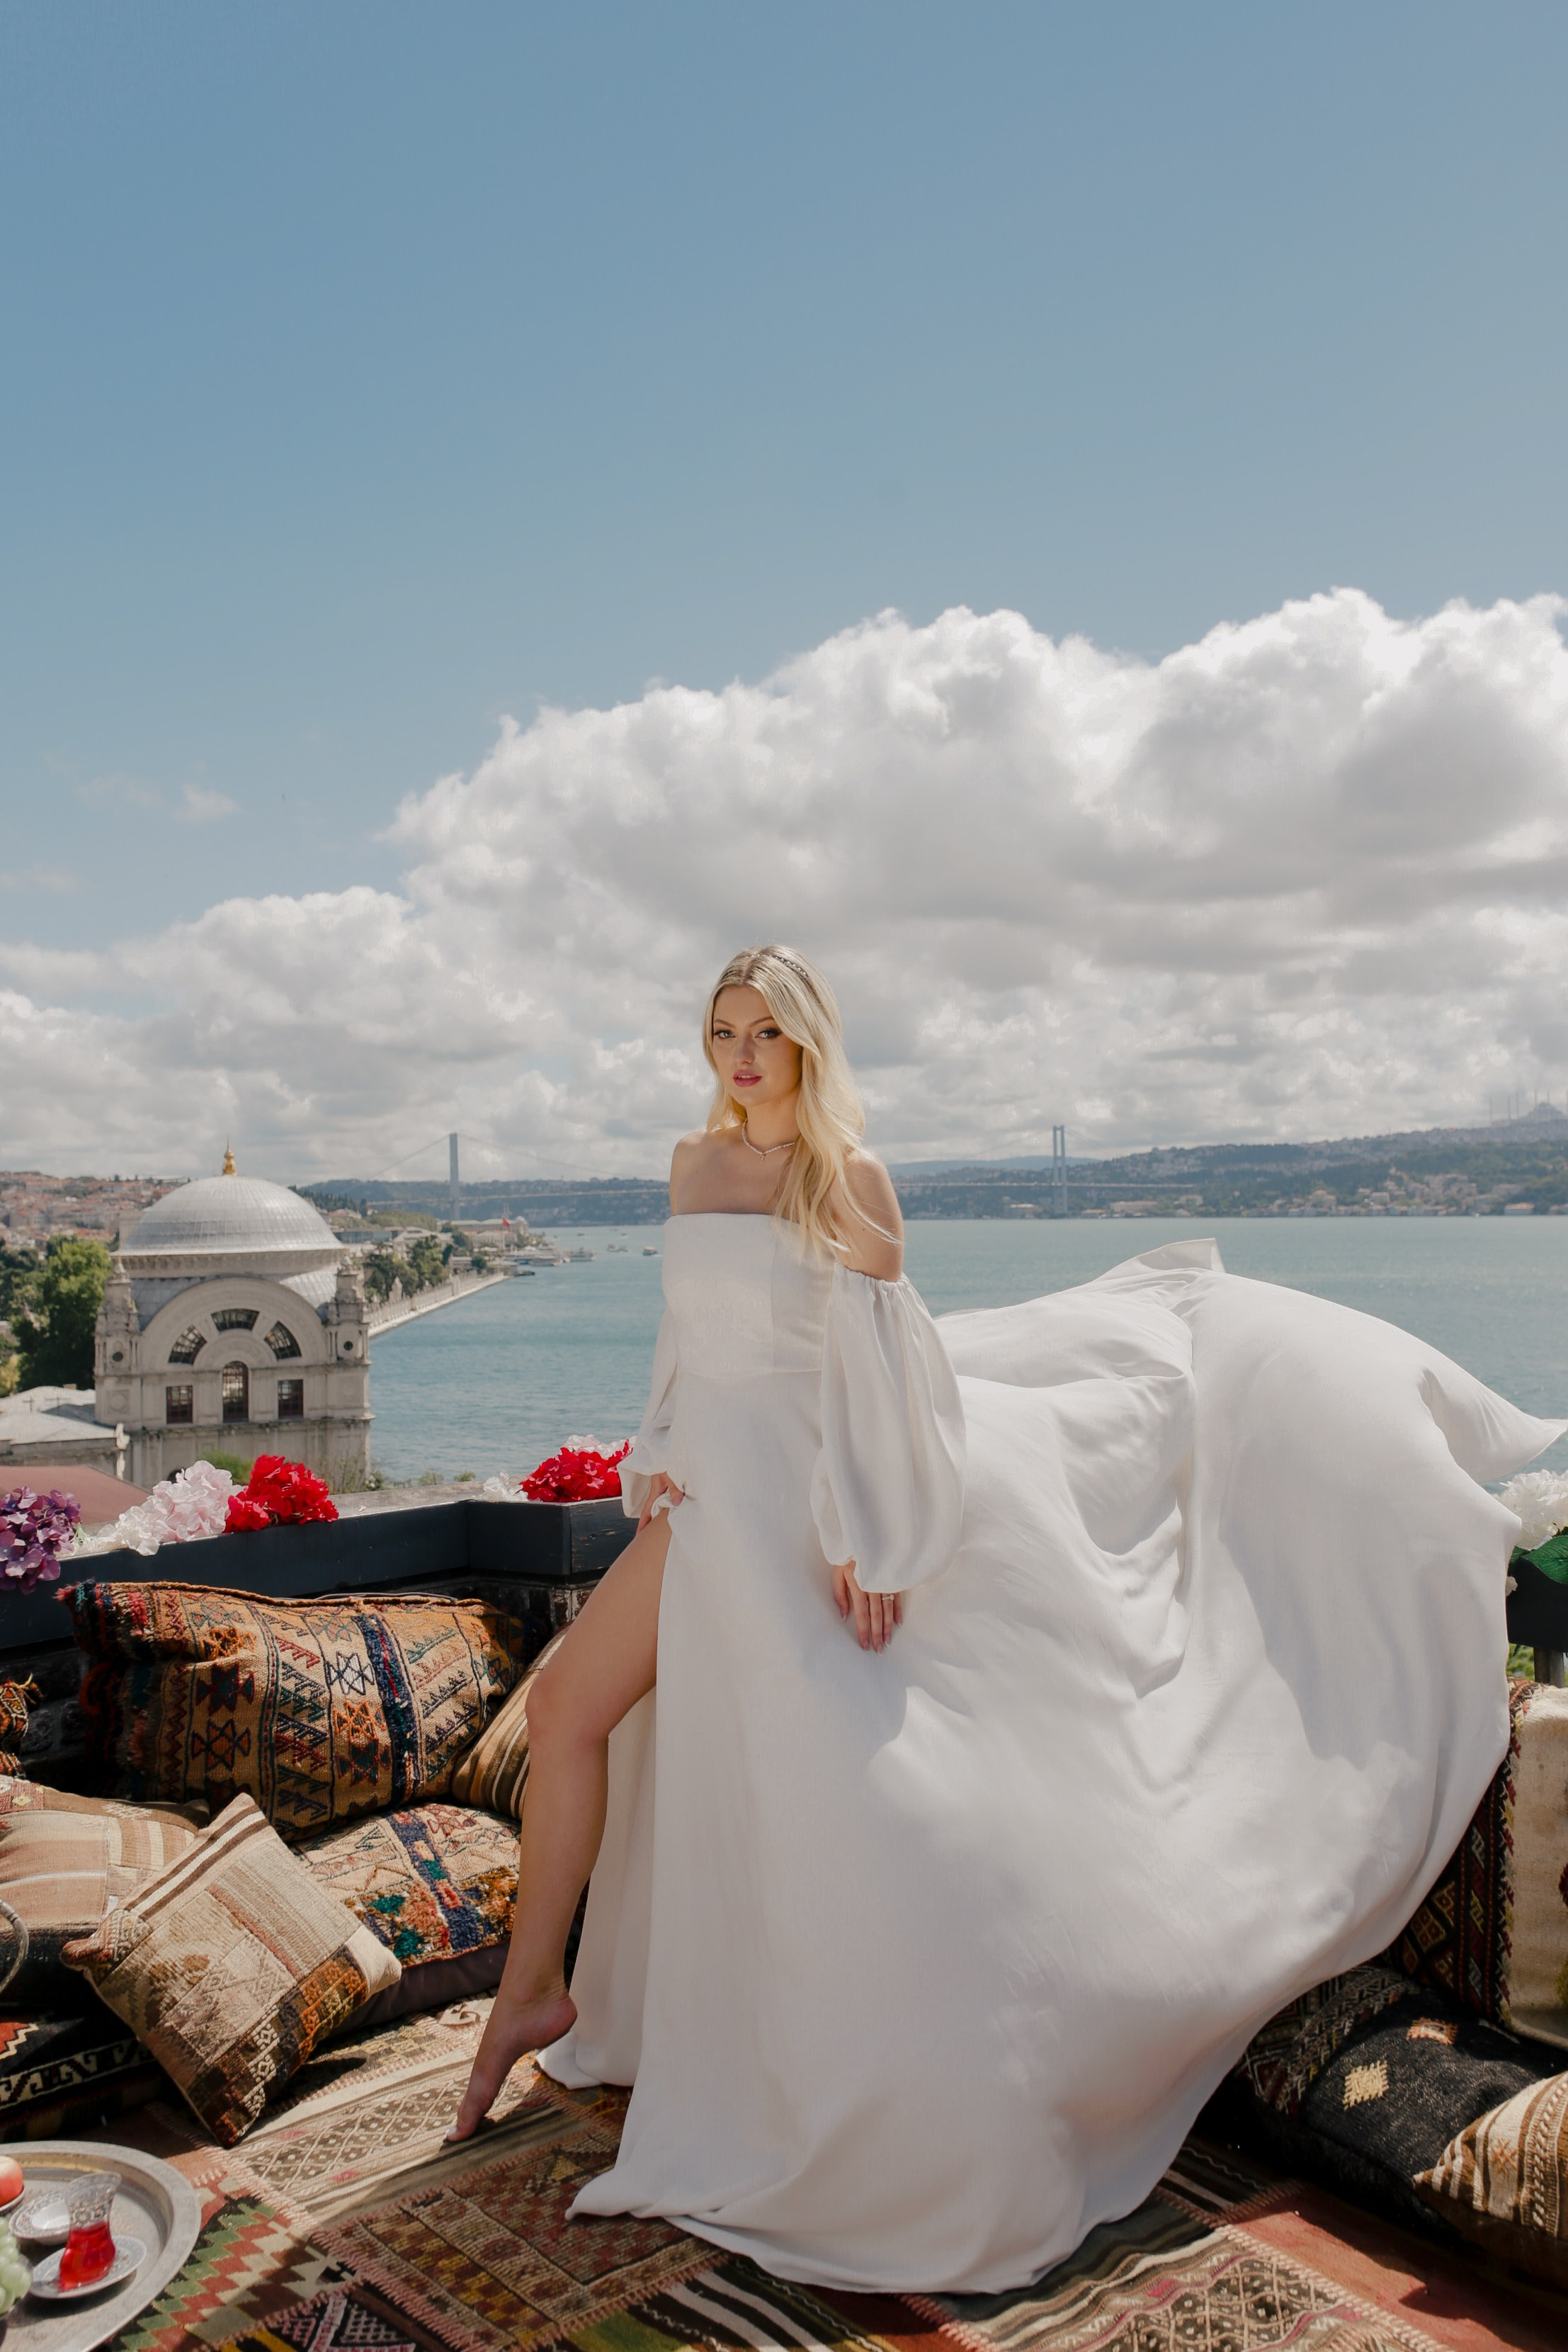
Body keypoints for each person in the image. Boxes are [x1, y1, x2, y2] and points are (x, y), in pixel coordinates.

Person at [452, 943, 1562, 2293]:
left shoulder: (850, 1181)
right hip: (700, 1507)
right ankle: (536, 1988)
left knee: (842, 1805)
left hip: (801, 1508)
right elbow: (687, 1344)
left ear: (808, 1043)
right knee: (567, 1708)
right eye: (723, 1029)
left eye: (766, 1032)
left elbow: (887, 1376)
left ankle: (869, 2079)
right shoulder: (692, 1167)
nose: (741, 1054)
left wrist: (869, 1533)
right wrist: (656, 1458)